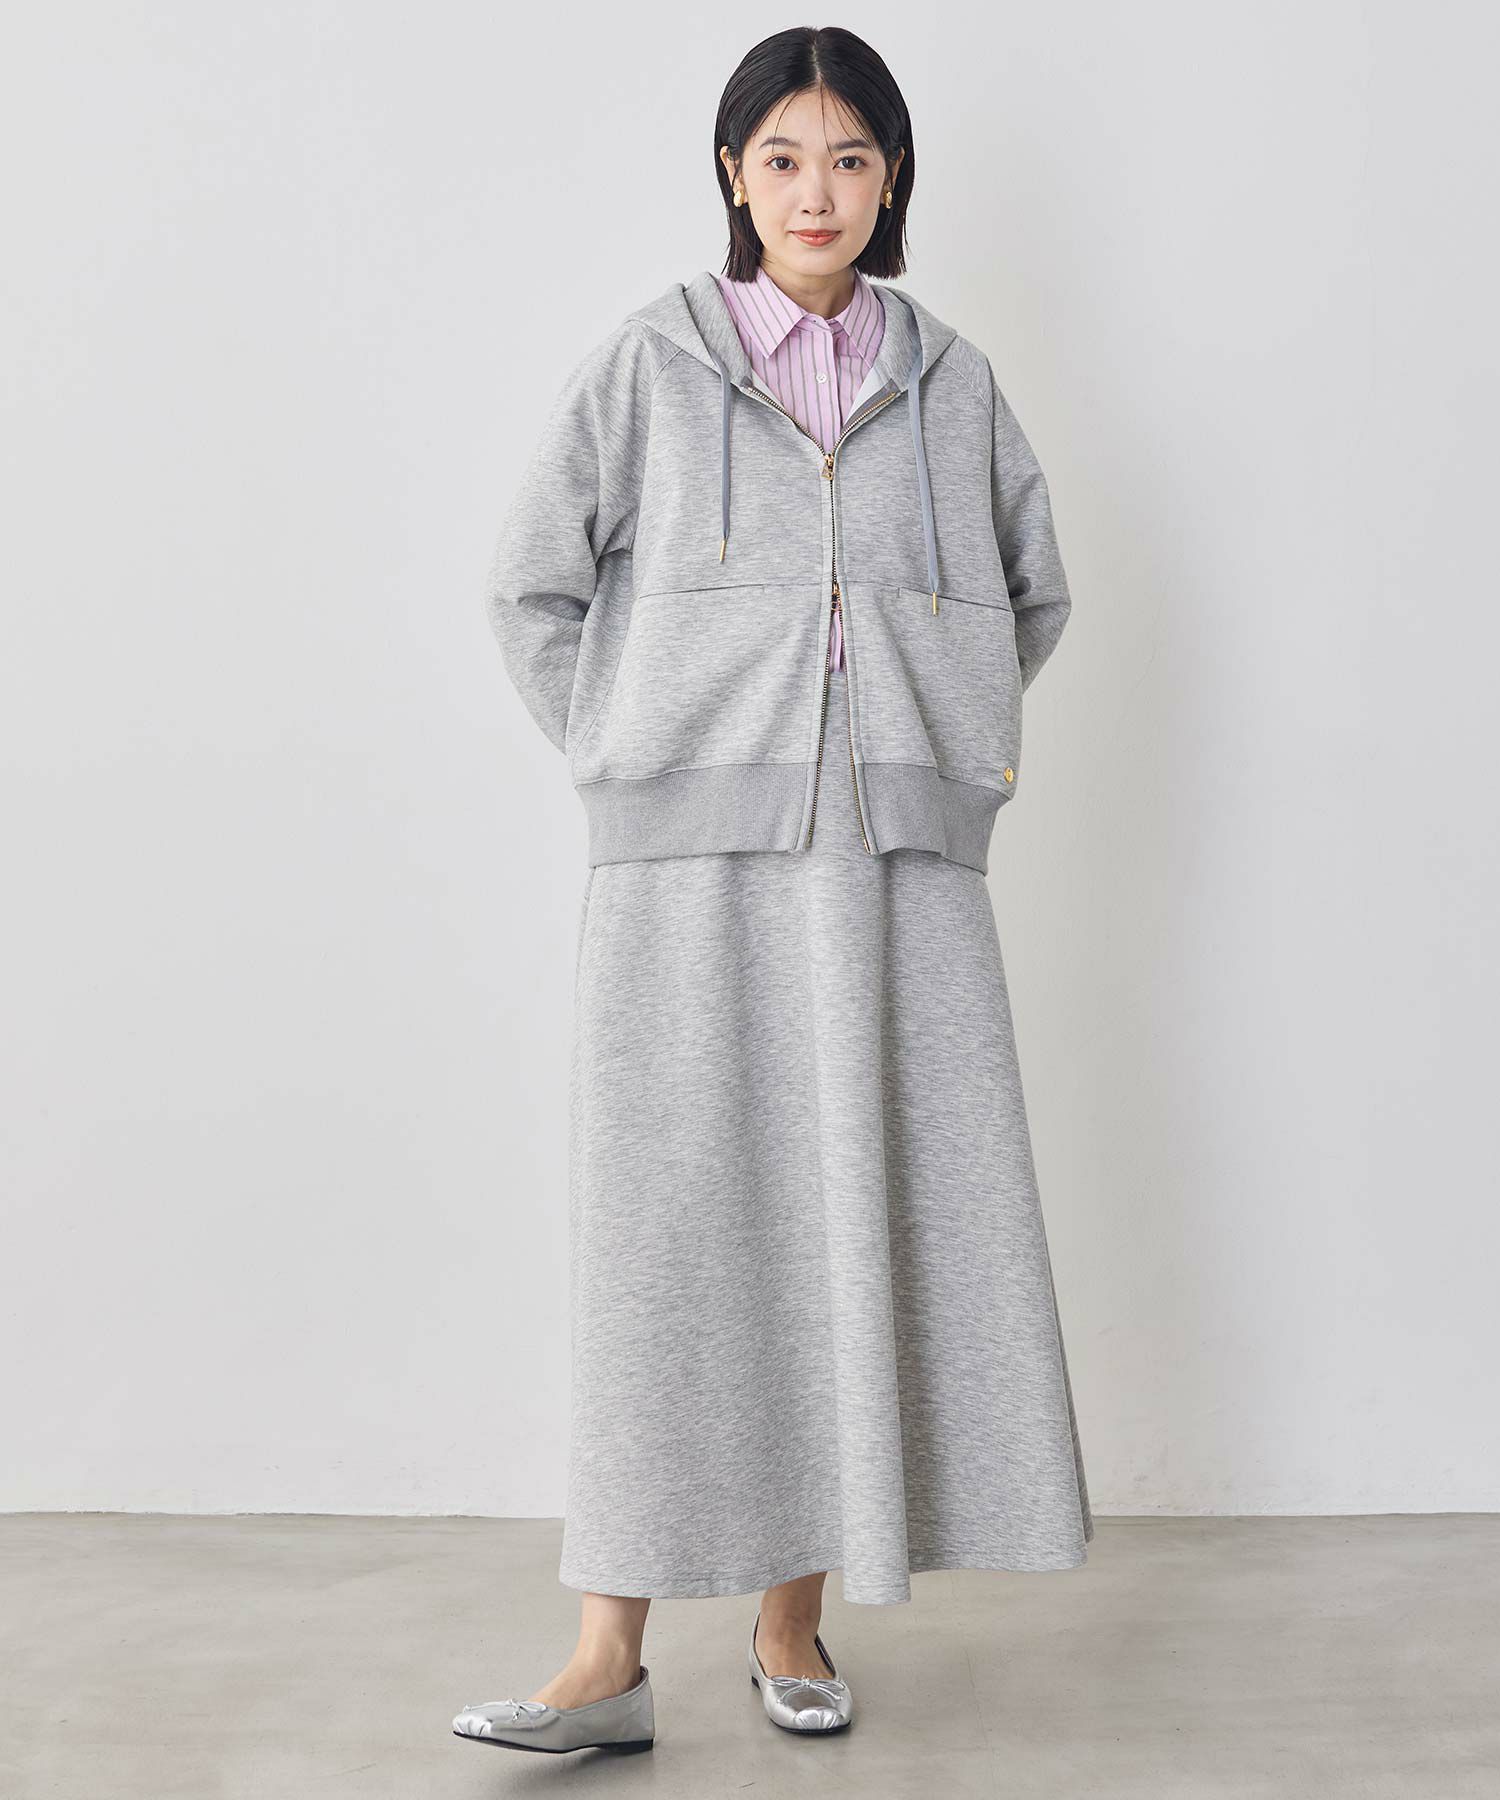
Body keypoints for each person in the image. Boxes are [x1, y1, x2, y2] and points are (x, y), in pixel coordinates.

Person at [452, 24, 1092, 1757]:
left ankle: (793, 1621)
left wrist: (922, 747)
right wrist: (637, 748)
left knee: (846, 1218)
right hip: (682, 876)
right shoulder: (651, 365)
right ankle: (605, 1654)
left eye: (852, 158)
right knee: (668, 1236)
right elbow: (528, 586)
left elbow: (1033, 592)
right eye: (786, 156)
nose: (819, 191)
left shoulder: (950, 381)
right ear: (734, 173)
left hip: (894, 872)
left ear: (893, 181)